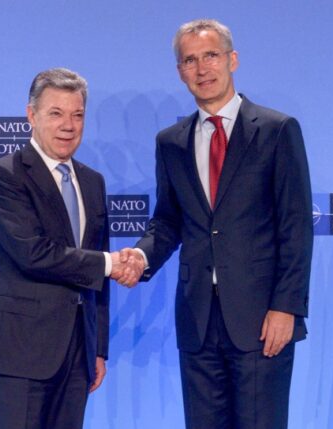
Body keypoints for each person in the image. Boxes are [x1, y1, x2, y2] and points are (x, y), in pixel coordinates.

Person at [123, 19, 313, 429]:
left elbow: (296, 227)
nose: (201, 68)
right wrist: (141, 255)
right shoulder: (170, 142)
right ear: (180, 71)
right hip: (198, 321)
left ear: (232, 60)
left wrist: (286, 307)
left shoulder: (278, 130)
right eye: (189, 60)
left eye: (210, 56)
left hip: (262, 319)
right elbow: (168, 221)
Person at [0, 68, 140, 429]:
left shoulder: (92, 181)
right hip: (18, 354)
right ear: (31, 115)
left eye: (77, 115)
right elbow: (33, 253)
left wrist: (97, 347)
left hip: (76, 354)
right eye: (56, 113)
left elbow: (97, 274)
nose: (68, 125)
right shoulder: (5, 176)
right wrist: (111, 264)